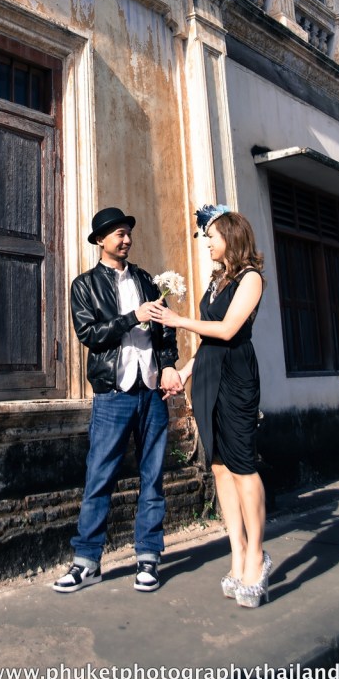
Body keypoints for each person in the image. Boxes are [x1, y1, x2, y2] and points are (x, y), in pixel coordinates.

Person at [53, 207, 179, 594]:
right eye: (118, 234)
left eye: (128, 233)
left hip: (152, 391)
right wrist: (130, 317)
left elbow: (165, 331)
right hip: (113, 393)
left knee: (152, 476)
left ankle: (148, 558)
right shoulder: (84, 286)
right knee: (100, 476)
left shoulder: (146, 279)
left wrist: (170, 365)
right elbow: (90, 334)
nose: (125, 240)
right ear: (100, 241)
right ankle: (86, 561)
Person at [155, 205, 272, 608]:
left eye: (212, 237)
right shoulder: (216, 282)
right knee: (219, 466)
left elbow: (226, 330)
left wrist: (177, 320)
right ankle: (236, 550)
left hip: (236, 376)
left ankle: (257, 554)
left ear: (231, 237)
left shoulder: (250, 279)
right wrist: (183, 373)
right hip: (207, 374)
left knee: (242, 464)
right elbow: (208, 341)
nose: (207, 243)